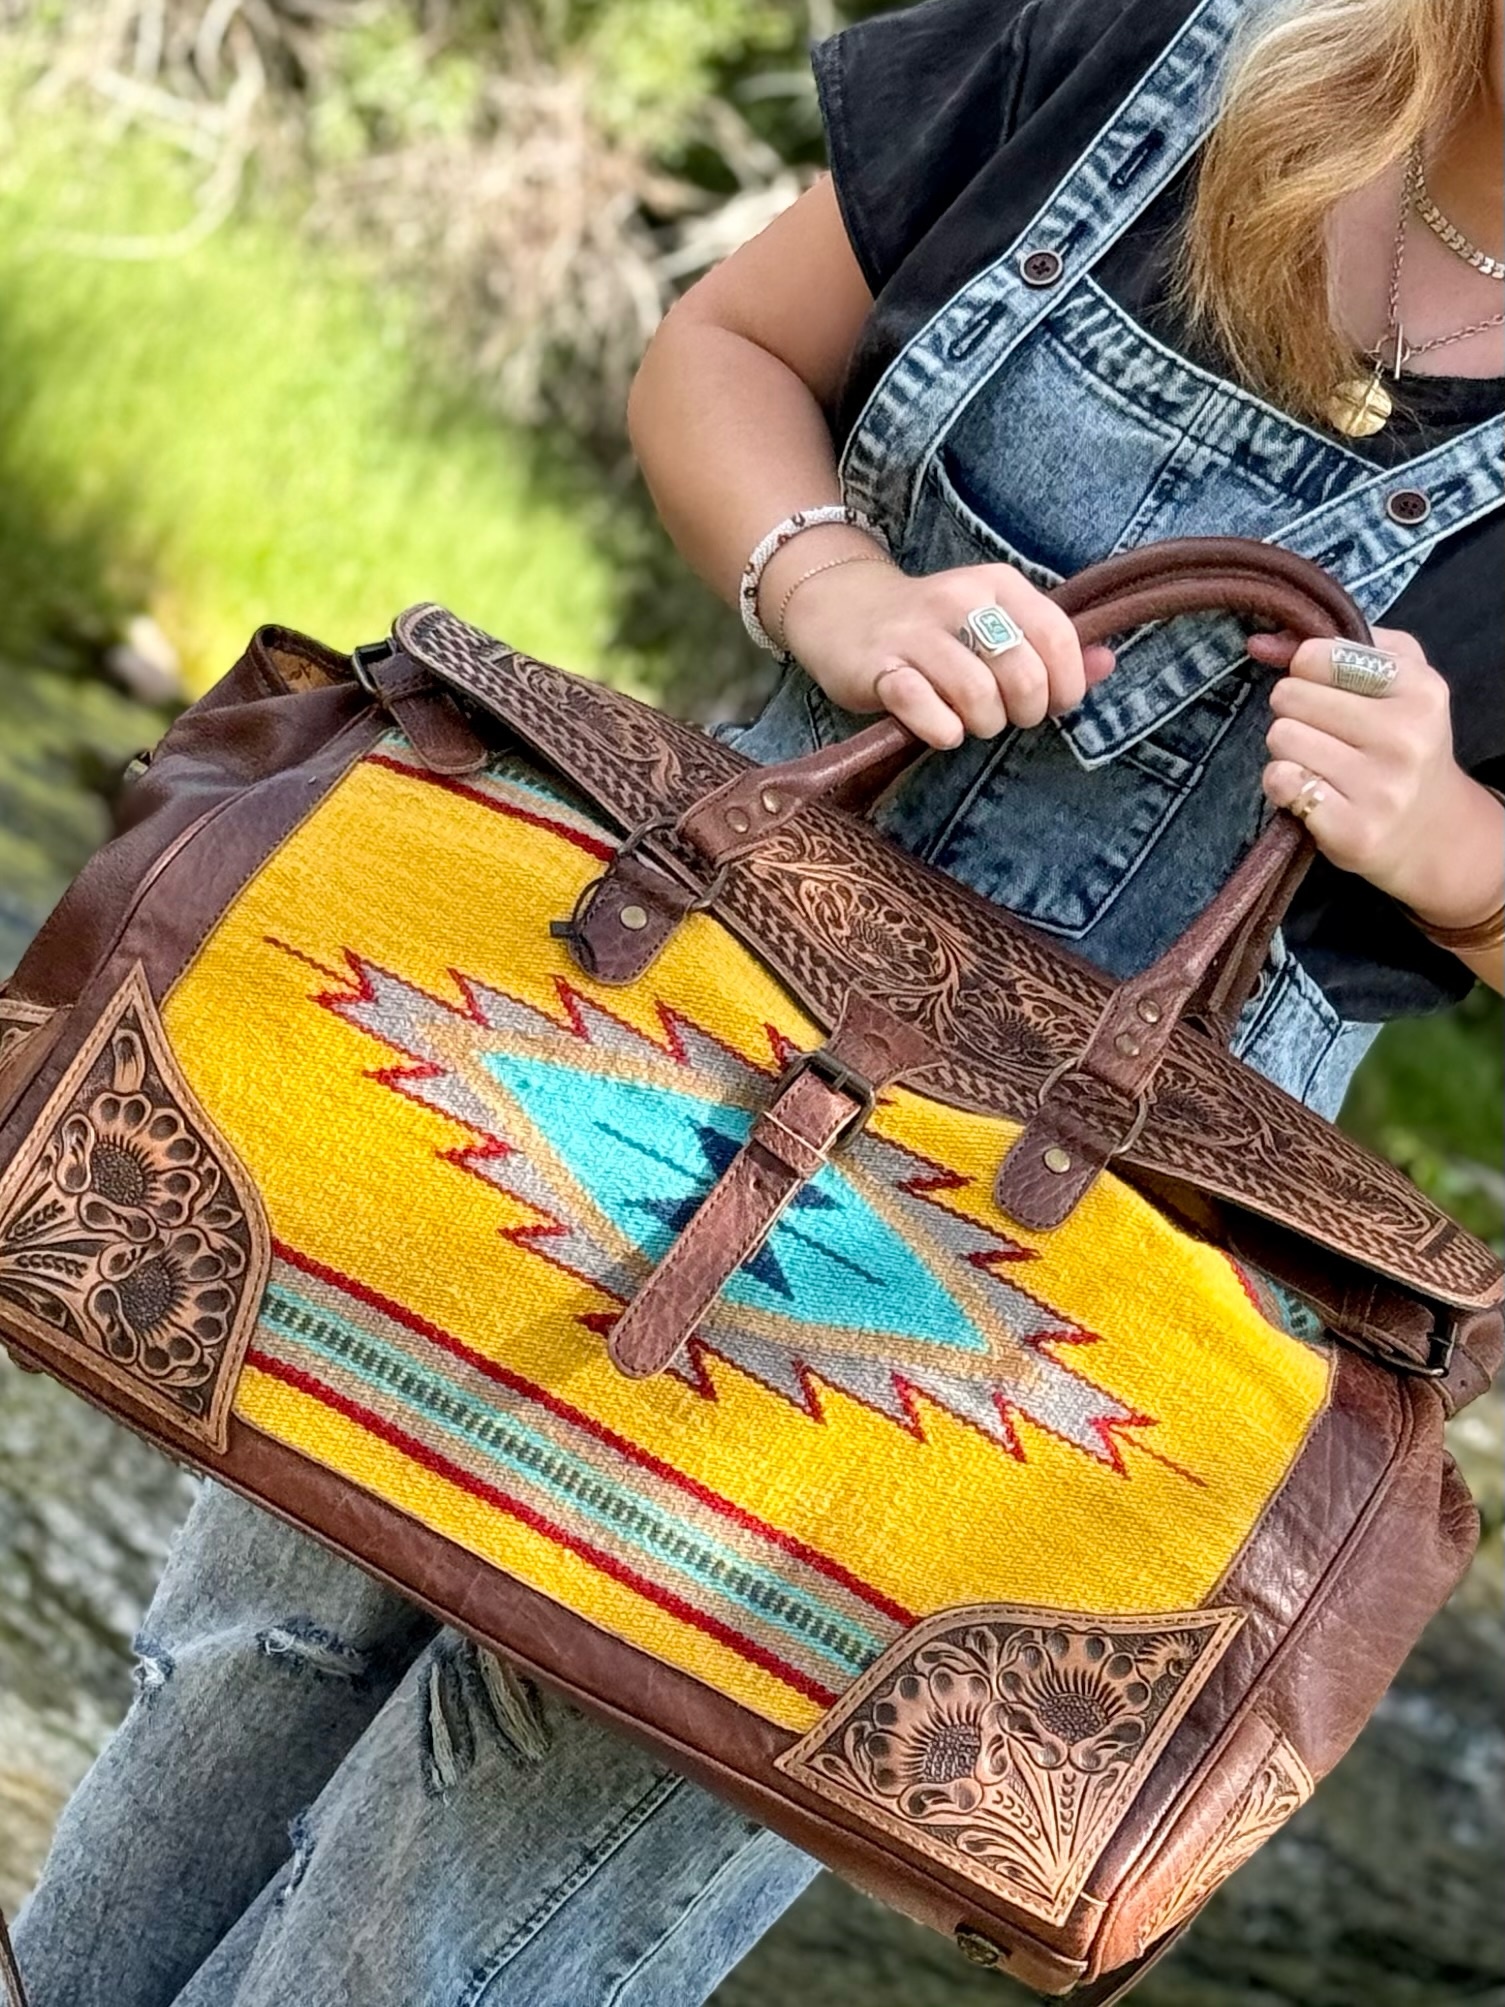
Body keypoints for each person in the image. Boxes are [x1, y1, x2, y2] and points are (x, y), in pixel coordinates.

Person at [13, 0, 1503, 2002]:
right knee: (249, 1651)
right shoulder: (1148, 44)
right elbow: (725, 346)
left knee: (467, 1878)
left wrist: (1459, 851)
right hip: (613, 997)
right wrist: (836, 592)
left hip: (1043, 1289)